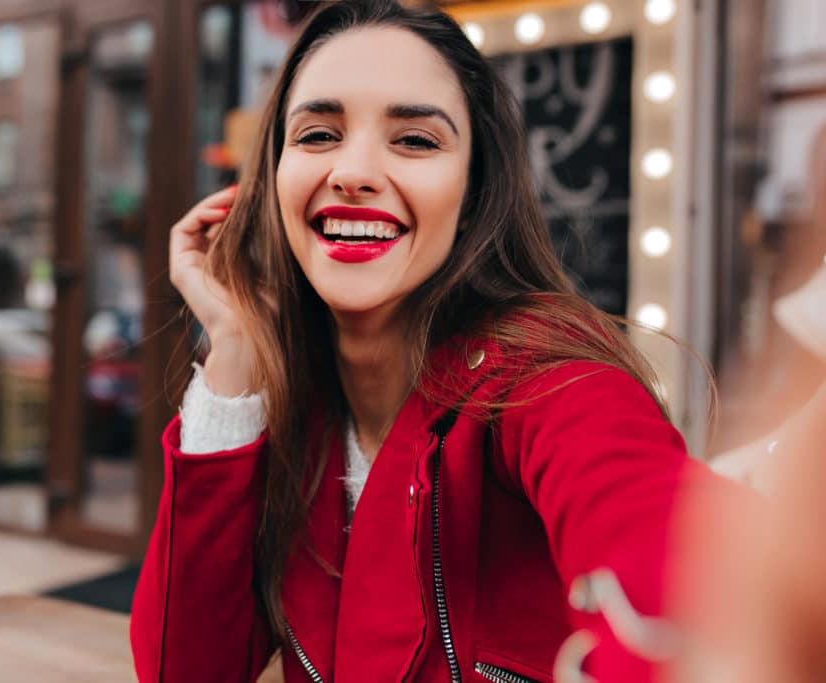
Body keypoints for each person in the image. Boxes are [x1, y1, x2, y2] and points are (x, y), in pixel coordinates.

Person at [130, 1, 719, 681]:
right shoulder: (296, 403)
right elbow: (184, 670)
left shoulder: (548, 377)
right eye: (319, 133)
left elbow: (693, 598)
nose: (353, 171)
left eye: (414, 140)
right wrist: (233, 346)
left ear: (473, 192)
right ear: (270, 182)